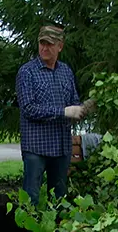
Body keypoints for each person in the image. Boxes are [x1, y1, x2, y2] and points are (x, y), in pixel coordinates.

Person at [15, 24, 96, 206]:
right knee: (31, 199)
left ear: (60, 46)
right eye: (42, 43)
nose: (44, 48)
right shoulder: (27, 72)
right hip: (36, 147)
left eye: (49, 44)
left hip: (61, 147)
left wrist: (85, 108)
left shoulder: (65, 71)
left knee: (60, 199)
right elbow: (28, 109)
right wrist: (63, 111)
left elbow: (73, 104)